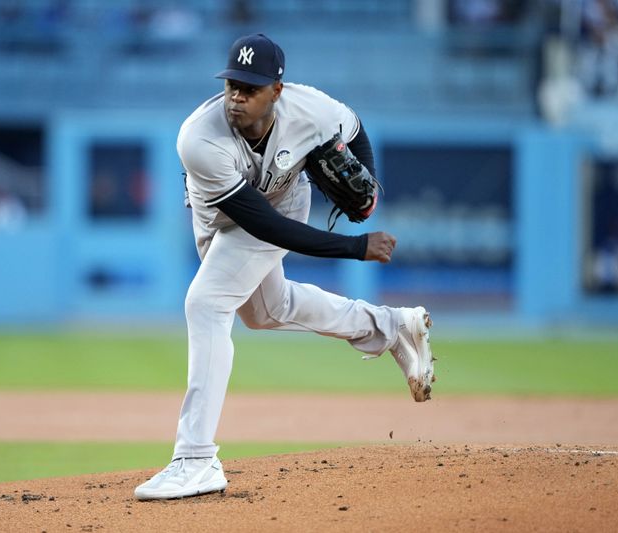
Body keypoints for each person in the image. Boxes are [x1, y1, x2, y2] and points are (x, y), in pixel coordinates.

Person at [134, 33, 435, 501]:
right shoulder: (199, 138)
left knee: (207, 303)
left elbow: (353, 128)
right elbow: (263, 226)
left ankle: (195, 458)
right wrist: (355, 247)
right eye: (233, 83)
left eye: (251, 87)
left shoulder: (309, 108)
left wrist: (369, 193)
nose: (237, 95)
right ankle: (391, 325)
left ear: (276, 91)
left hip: (288, 199)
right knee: (266, 309)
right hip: (222, 216)